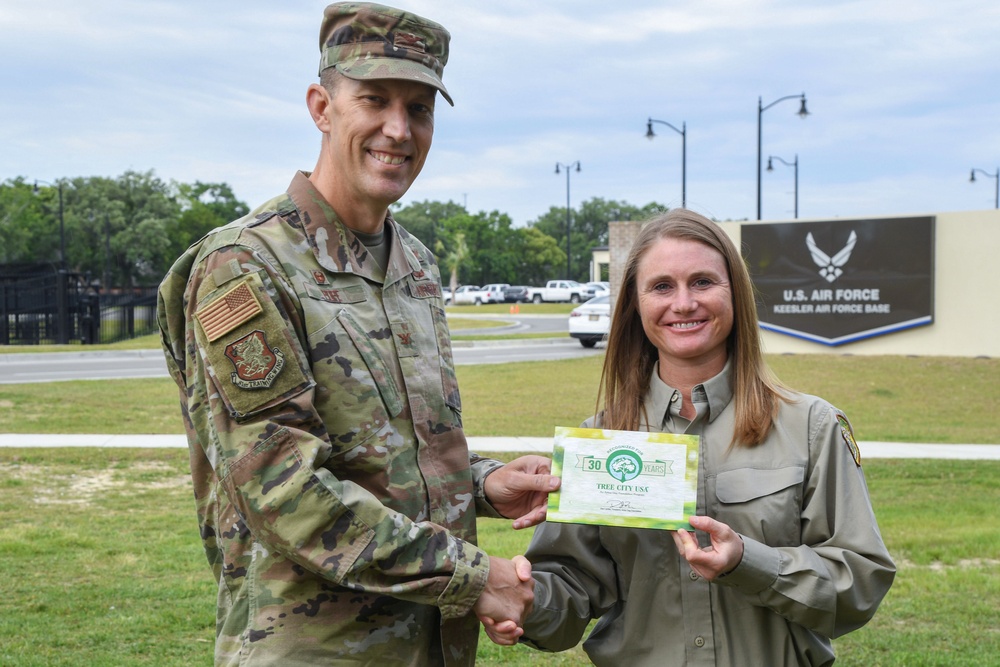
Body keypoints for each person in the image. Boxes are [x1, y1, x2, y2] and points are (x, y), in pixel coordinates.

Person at [156, 3, 555, 664]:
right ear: (321, 106)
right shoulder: (246, 266)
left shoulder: (414, 264)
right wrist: (477, 576)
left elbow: (381, 456)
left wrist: (481, 484)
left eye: (420, 108)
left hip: (427, 644)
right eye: (374, 100)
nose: (398, 130)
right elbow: (286, 491)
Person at [485, 209, 895, 665]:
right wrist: (525, 600)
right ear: (635, 304)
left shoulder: (811, 426)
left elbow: (860, 584)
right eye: (662, 286)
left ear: (735, 294)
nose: (683, 304)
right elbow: (572, 589)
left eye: (702, 282)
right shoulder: (600, 440)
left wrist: (749, 563)